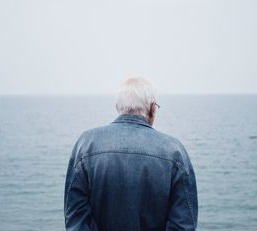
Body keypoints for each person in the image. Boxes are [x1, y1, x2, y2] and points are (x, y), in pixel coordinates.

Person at [64, 77, 198, 231]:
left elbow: (75, 218)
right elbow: (183, 225)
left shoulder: (85, 144)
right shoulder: (175, 151)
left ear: (117, 106)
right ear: (152, 108)